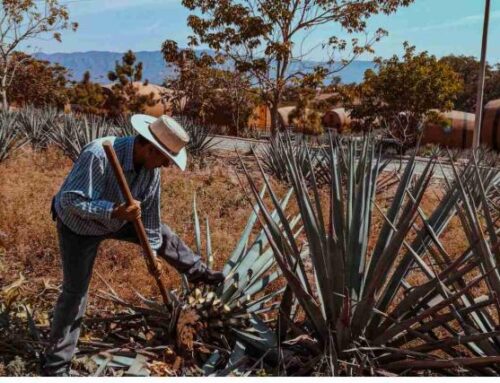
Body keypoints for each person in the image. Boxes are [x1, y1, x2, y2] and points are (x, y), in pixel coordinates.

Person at [41, 114, 224, 376]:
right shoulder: (99, 153)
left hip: (119, 219)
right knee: (75, 294)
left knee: (164, 235)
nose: (167, 165)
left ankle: (199, 274)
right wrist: (114, 211)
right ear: (149, 147)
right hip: (78, 227)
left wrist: (151, 254)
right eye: (165, 158)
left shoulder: (151, 172)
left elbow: (149, 220)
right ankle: (55, 365)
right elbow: (70, 200)